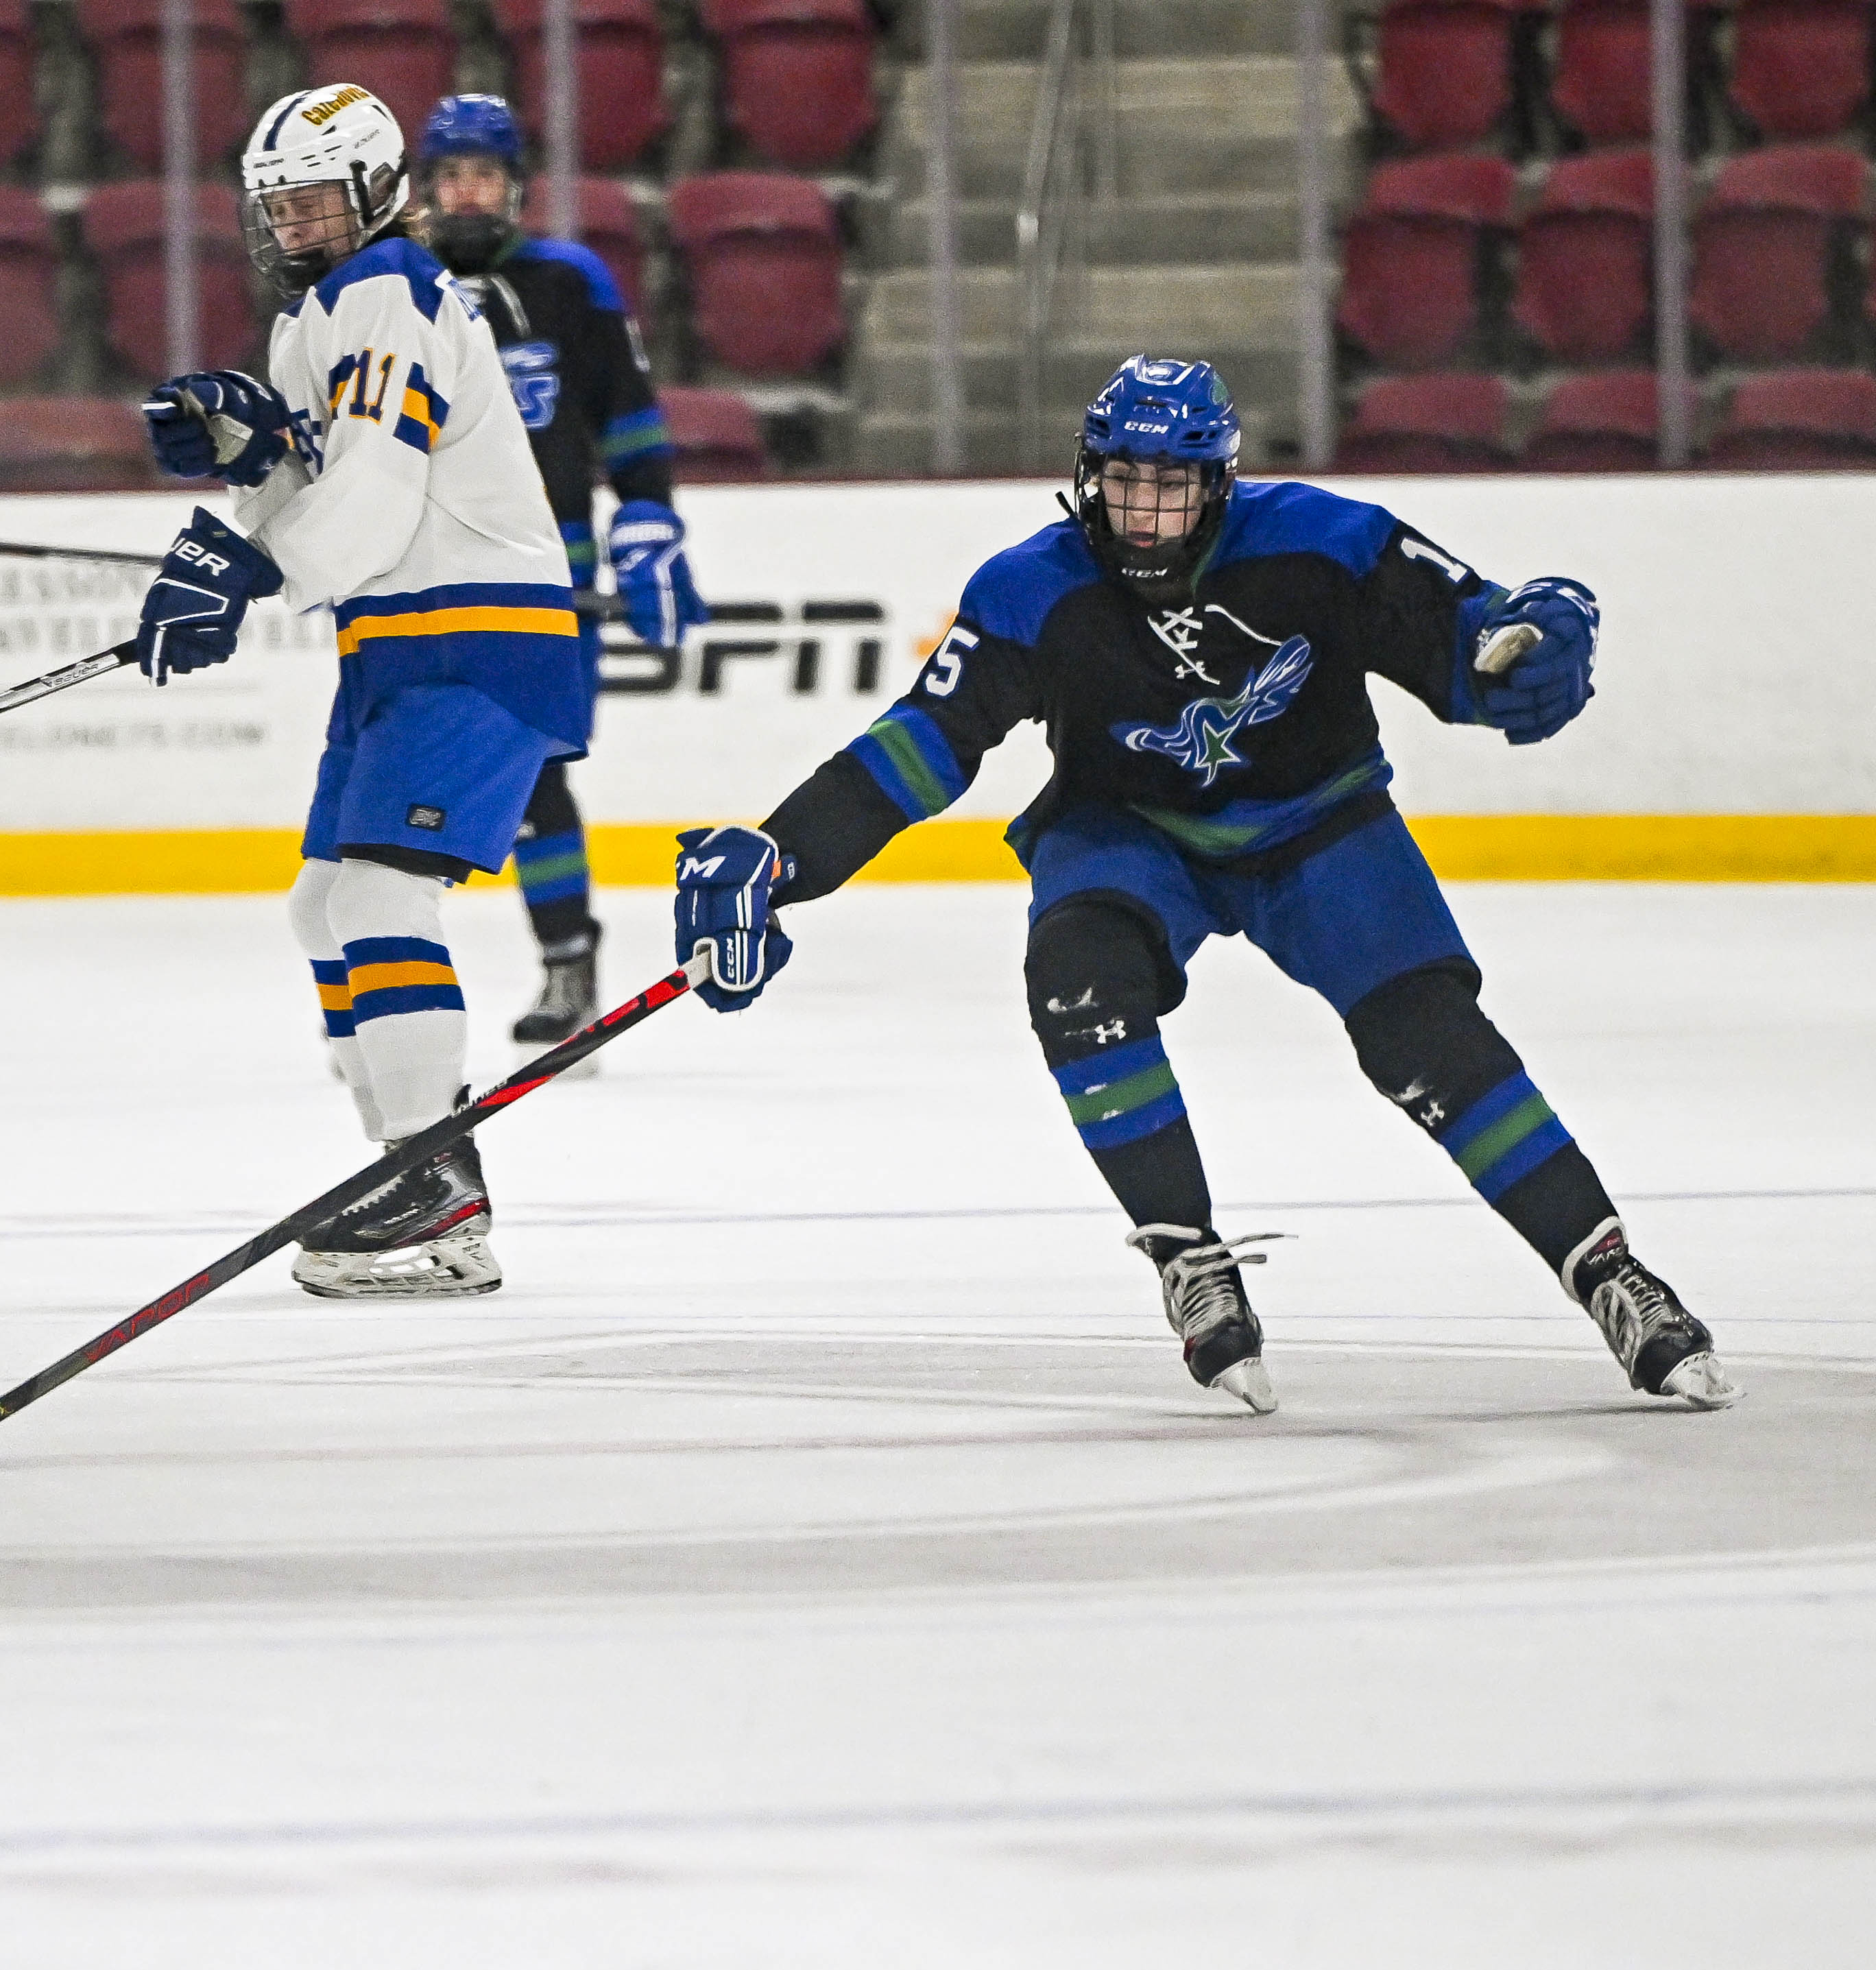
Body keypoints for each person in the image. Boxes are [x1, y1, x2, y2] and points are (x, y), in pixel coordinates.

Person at [669, 357, 1737, 1411]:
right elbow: (923, 743)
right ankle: (1188, 1256)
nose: (1144, 515)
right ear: (1089, 477)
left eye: (1172, 487)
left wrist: (1535, 646)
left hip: (1321, 820)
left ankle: (1608, 1269)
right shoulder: (1029, 588)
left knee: (1427, 1036)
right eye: (1125, 483)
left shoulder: (1328, 539)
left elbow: (1474, 651)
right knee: (1077, 982)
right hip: (1127, 829)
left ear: (1220, 484)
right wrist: (783, 856)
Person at [139, 83, 590, 1299]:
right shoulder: (314, 319)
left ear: (380, 190)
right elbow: (322, 489)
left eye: (315, 199)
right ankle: (410, 1174)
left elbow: (380, 492)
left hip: (474, 636)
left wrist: (246, 565)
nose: (294, 222)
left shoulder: (386, 290)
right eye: (276, 205)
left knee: (381, 895)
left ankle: (430, 1176)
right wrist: (249, 458)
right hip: (401, 639)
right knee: (323, 907)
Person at [410, 93, 704, 1042]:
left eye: (485, 175)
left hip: (545, 576)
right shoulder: (390, 286)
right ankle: (389, 987)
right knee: (398, 779)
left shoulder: (570, 282)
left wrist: (649, 514)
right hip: (420, 578)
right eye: (451, 175)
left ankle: (568, 963)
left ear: (516, 188)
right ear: (425, 188)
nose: (467, 193)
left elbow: (627, 412)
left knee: (534, 779)